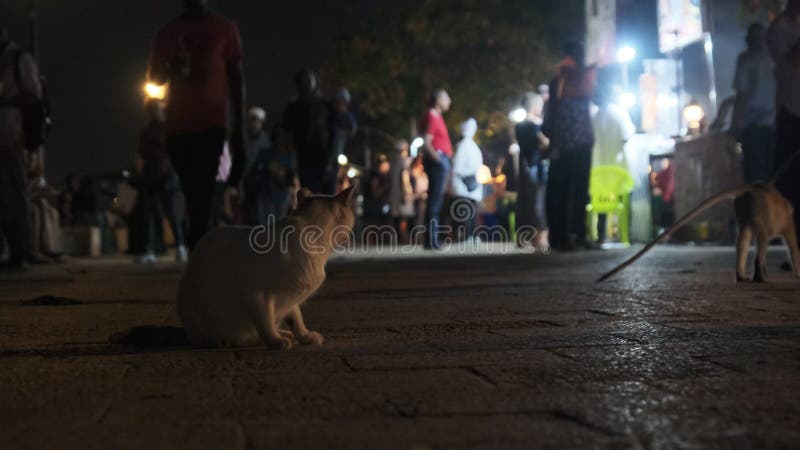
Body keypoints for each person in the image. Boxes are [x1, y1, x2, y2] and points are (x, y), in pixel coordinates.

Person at [148, 0, 246, 249]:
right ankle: (200, 243)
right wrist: (172, 67)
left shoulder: (224, 28)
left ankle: (198, 246)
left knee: (202, 189)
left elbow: (236, 79)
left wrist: (239, 127)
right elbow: (155, 78)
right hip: (178, 128)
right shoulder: (168, 33)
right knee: (193, 191)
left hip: (212, 123)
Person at [543, 40, 597, 251]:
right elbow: (555, 111)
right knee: (566, 190)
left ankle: (573, 235)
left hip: (574, 141)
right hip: (570, 141)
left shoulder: (578, 78)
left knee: (572, 190)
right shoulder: (562, 79)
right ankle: (564, 236)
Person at [0, 27, 41, 270]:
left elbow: (33, 95)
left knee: (15, 194)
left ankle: (21, 252)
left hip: (11, 132)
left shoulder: (18, 58)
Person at [134, 100, 187, 264]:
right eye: (150, 110)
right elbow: (142, 152)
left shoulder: (168, 128)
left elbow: (174, 149)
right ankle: (150, 250)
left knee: (171, 213)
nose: (153, 112)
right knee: (149, 215)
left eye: (156, 109)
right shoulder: (146, 130)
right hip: (150, 175)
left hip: (166, 175)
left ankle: (180, 247)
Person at [767, 0, 800, 256]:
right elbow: (791, 60)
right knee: (789, 181)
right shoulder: (779, 29)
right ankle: (793, 246)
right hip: (791, 110)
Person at [590, 85, 635, 244]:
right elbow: (627, 135)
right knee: (624, 200)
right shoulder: (620, 113)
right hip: (618, 169)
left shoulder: (593, 115)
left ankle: (600, 236)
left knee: (599, 202)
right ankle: (626, 235)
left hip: (596, 171)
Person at [733, 23, 777, 183]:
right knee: (775, 174)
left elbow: (741, 96)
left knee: (757, 178)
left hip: (753, 128)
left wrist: (735, 126)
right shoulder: (775, 59)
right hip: (775, 126)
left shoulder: (745, 60)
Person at [283, 69, 336, 195]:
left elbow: (334, 131)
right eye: (302, 81)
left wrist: (331, 157)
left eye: (308, 81)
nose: (305, 84)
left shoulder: (325, 104)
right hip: (304, 158)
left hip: (323, 155)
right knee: (311, 196)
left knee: (328, 197)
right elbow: (287, 134)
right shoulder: (292, 107)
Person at [515, 93, 550, 250]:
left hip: (524, 166)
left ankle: (522, 237)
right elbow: (544, 143)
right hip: (536, 166)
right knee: (538, 202)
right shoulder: (535, 125)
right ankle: (540, 239)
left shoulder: (519, 126)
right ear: (535, 106)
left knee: (524, 202)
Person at [420, 89, 453, 249]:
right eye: (447, 98)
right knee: (434, 202)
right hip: (438, 161)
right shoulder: (432, 116)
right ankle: (431, 240)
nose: (449, 101)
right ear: (438, 99)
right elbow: (426, 142)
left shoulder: (436, 116)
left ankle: (432, 239)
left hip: (440, 160)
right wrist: (439, 160)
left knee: (436, 201)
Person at [450, 118, 484, 243]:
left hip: (462, 185)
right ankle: (471, 235)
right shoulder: (473, 147)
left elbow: (456, 167)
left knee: (463, 213)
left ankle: (467, 235)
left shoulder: (462, 146)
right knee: (471, 212)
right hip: (471, 185)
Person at [242, 106, 271, 225]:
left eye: (255, 120)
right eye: (250, 120)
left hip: (263, 184)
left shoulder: (267, 142)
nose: (252, 124)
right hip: (248, 183)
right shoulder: (245, 142)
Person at [390, 140, 416, 244]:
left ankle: (398, 237)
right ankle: (404, 238)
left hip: (395, 193)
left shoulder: (392, 162)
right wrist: (406, 193)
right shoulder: (405, 162)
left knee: (397, 216)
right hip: (403, 193)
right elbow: (404, 178)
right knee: (404, 217)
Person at [330, 87, 357, 162]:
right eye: (340, 100)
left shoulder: (348, 116)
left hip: (341, 143)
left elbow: (353, 129)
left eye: (343, 101)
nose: (341, 103)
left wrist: (344, 132)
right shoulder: (331, 114)